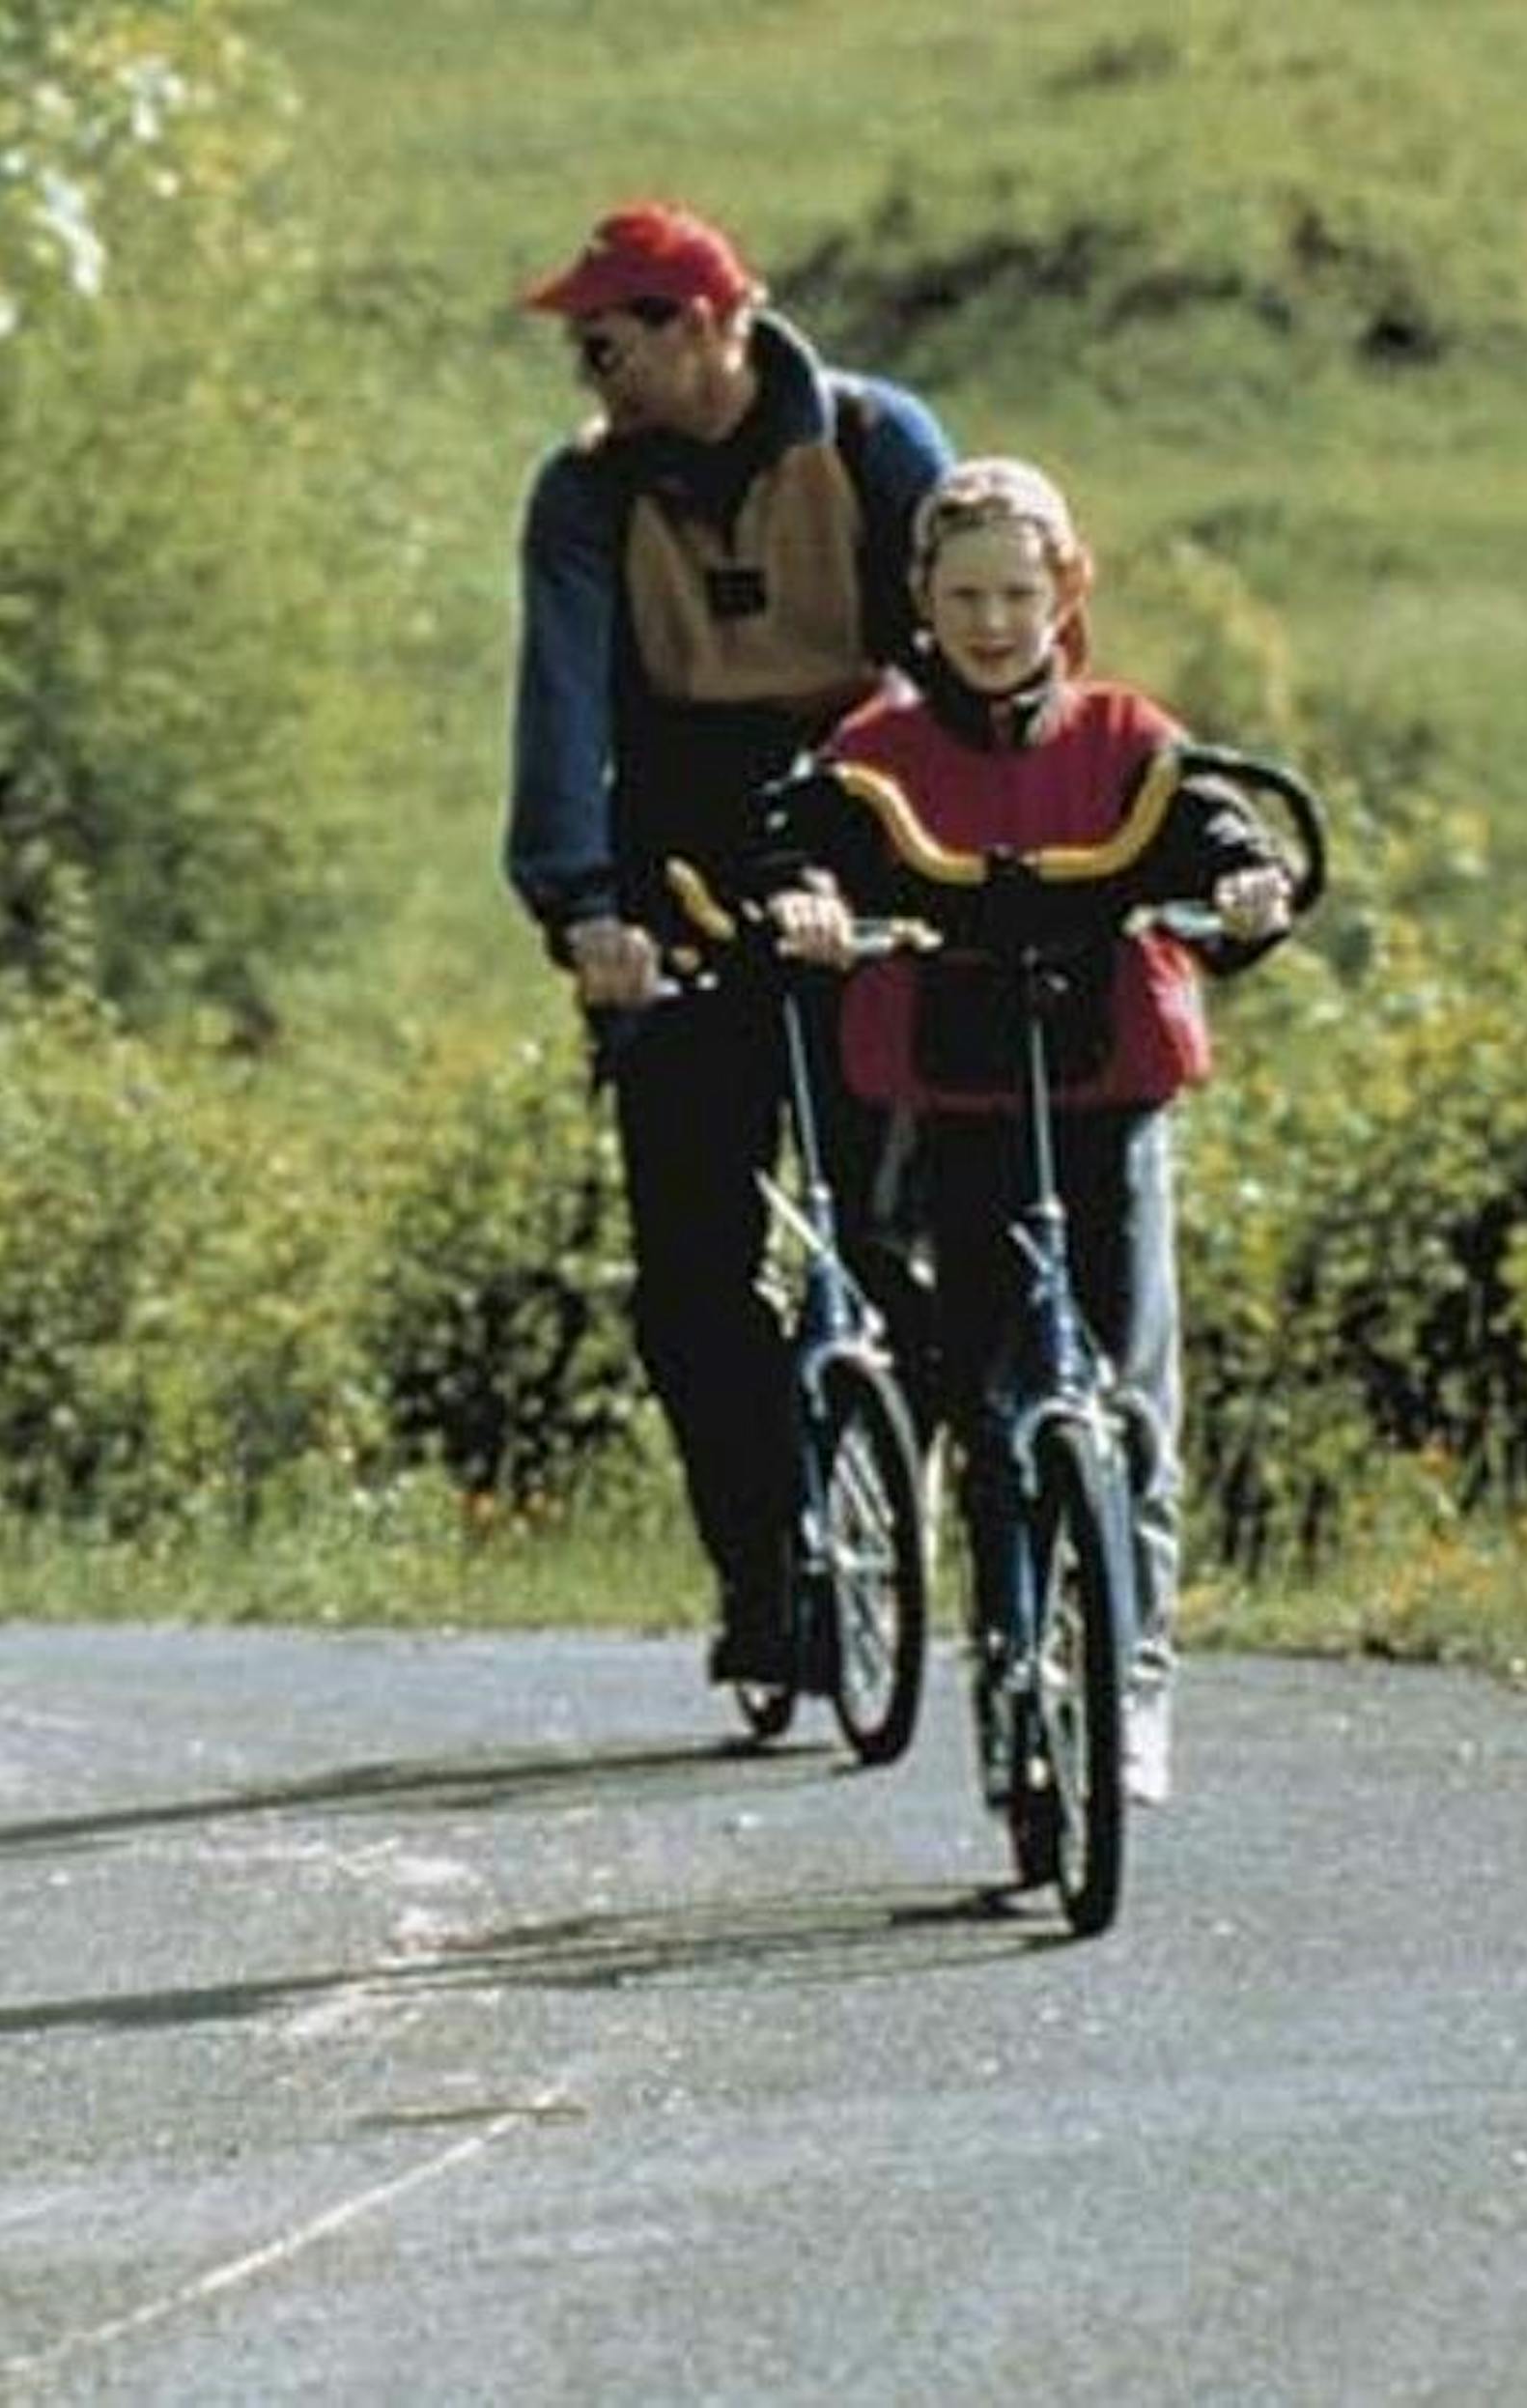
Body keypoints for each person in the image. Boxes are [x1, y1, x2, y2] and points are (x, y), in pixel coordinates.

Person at [763, 456, 1293, 1803]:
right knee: (1001, 1409)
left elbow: (1211, 820)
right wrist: (811, 902)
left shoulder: (1123, 738)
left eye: (1018, 591)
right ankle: (1012, 1677)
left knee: (1125, 1396)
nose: (994, 621)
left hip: (1107, 1093)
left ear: (1065, 594)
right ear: (922, 603)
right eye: (964, 595)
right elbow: (804, 840)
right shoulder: (878, 752)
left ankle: (1134, 1687)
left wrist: (1240, 879)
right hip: (961, 1104)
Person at [501, 201, 954, 1687]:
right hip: (677, 860)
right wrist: (582, 910)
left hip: (872, 826)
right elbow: (562, 710)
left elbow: (963, 653)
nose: (588, 367)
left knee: (892, 1238)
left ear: (701, 328)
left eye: (605, 338)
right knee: (692, 1276)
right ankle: (769, 1572)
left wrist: (963, 866)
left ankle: (898, 1492)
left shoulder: (879, 445)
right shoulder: (584, 498)